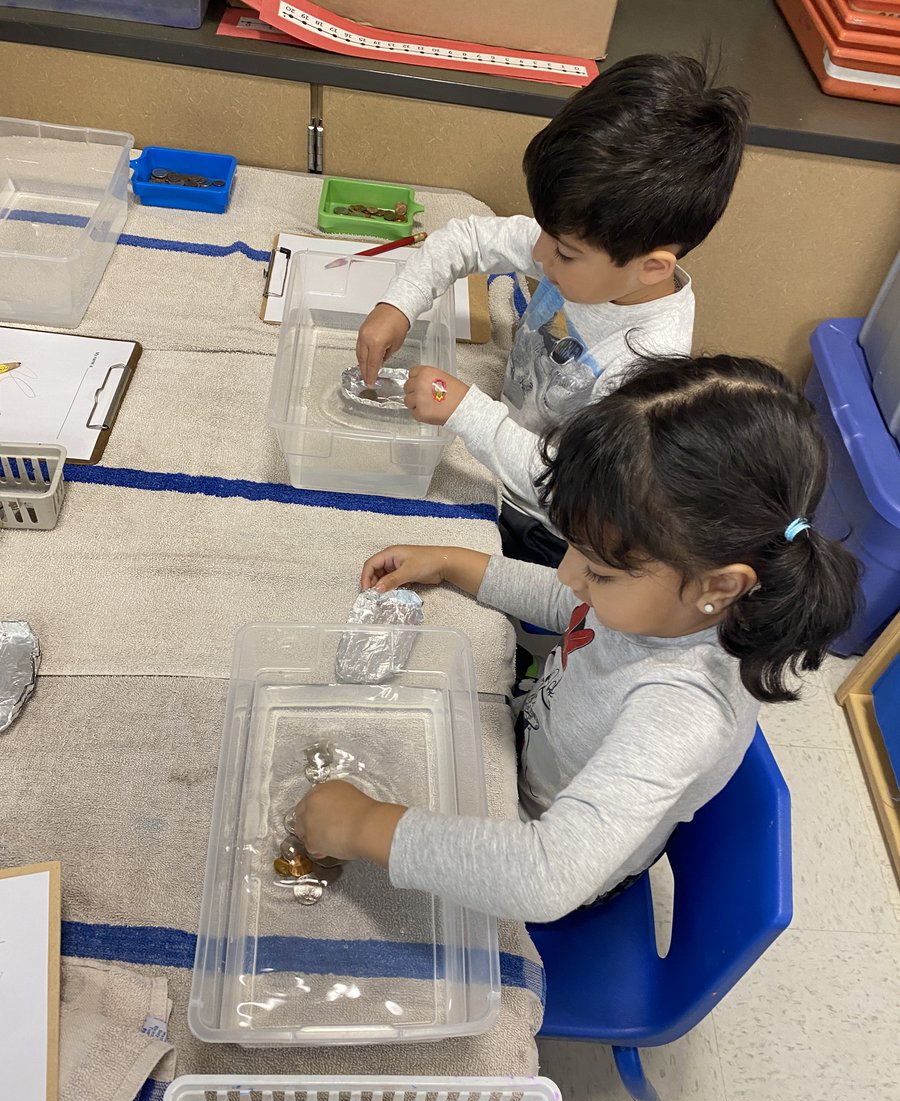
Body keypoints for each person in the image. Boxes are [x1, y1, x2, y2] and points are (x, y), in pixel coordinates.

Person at [292, 356, 859, 923]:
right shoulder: (667, 606)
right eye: (573, 548)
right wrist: (450, 561)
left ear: (719, 586)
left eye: (602, 571)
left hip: (544, 846)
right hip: (533, 750)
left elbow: (543, 881)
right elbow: (570, 603)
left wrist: (365, 827)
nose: (568, 573)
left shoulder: (682, 709)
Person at [355, 54, 749, 567]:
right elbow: (468, 236)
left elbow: (573, 493)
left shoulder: (647, 369)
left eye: (563, 252)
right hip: (501, 453)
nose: (539, 256)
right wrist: (398, 305)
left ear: (651, 267)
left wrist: (465, 410)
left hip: (548, 530)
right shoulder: (584, 247)